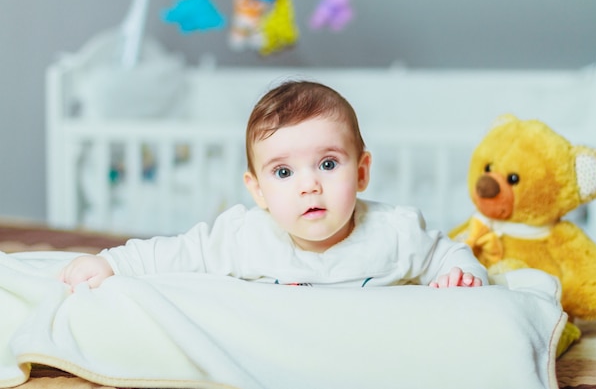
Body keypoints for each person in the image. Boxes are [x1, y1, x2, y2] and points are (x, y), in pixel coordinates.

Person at [60, 80, 487, 290]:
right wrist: (114, 264)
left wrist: (462, 277)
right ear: (257, 190)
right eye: (284, 172)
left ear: (361, 172)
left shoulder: (395, 233)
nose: (309, 186)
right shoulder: (244, 237)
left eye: (327, 163)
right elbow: (178, 252)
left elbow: (448, 253)